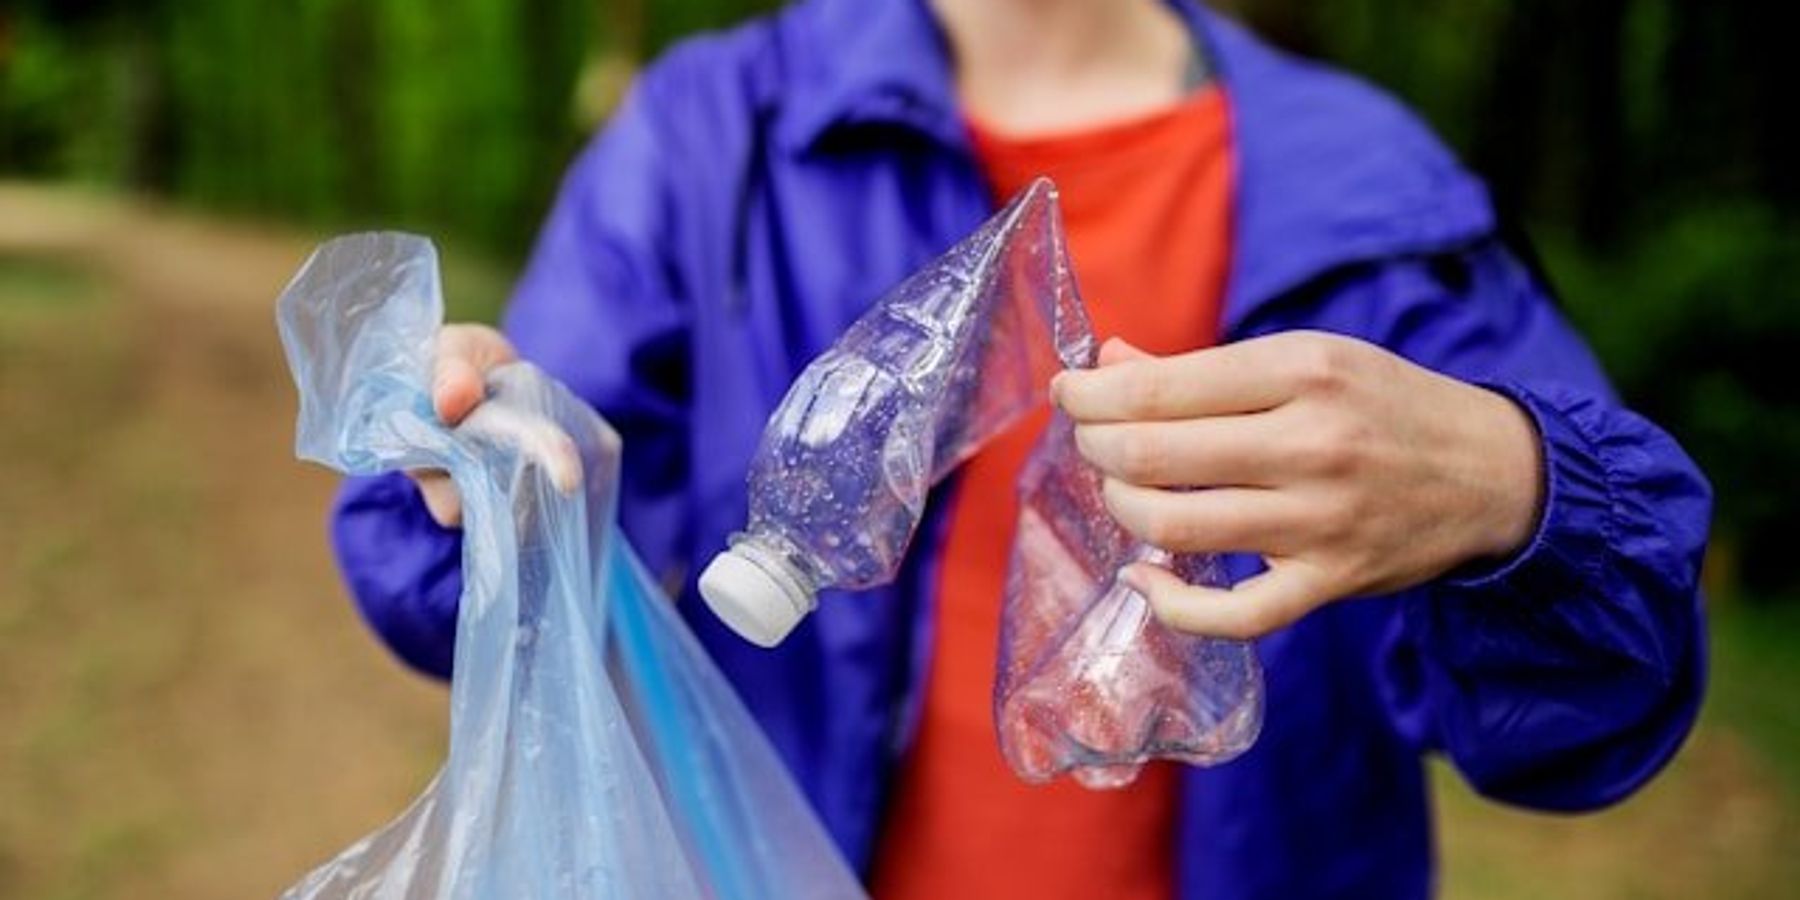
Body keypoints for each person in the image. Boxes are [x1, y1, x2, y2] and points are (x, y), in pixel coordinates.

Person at [330, 0, 1713, 897]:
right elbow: (486, 598)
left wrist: (1514, 489)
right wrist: (479, 461)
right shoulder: (720, 141)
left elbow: (1601, 698)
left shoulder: (1362, 189)